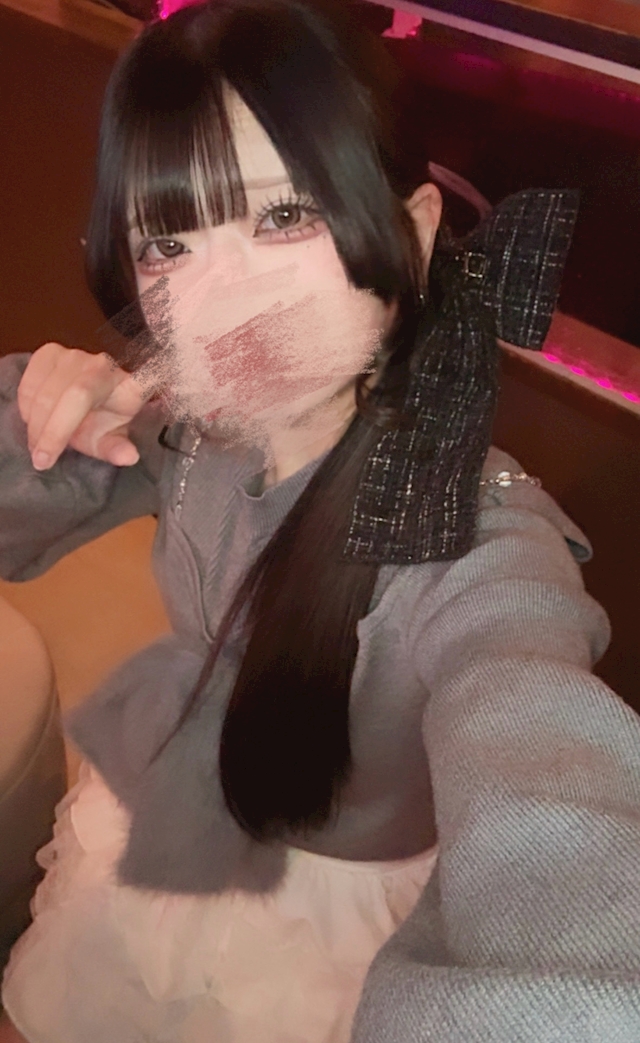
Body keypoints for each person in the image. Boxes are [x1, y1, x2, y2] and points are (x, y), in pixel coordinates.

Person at [1, 1, 640, 1040]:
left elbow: (544, 763)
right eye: (169, 242)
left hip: (333, 925)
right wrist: (39, 417)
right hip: (179, 798)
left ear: (413, 233)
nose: (225, 297)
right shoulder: (185, 431)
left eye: (285, 216)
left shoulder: (483, 540)